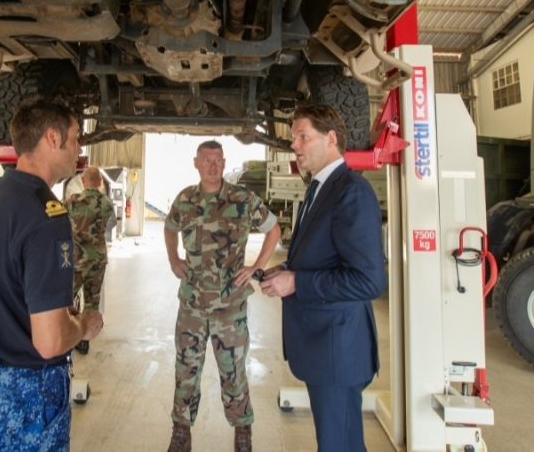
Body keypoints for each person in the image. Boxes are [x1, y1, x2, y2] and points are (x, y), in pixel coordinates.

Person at [0, 98, 103, 451]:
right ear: (52, 138)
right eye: (75, 137)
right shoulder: (46, 215)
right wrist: (84, 326)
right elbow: (49, 341)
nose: (79, 148)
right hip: (24, 389)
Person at [260, 104, 386, 452]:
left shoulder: (351, 192)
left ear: (331, 139)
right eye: (293, 138)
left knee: (338, 445)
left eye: (303, 137)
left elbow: (368, 281)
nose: (295, 146)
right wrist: (287, 271)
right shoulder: (320, 189)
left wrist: (298, 283)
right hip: (325, 346)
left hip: (338, 351)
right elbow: (326, 256)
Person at [164, 140, 281, 452]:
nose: (212, 165)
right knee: (186, 369)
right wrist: (173, 258)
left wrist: (257, 265)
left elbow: (274, 229)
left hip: (230, 306)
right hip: (191, 303)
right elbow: (169, 226)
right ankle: (181, 432)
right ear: (196, 163)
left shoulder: (242, 198)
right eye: (207, 160)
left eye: (218, 160)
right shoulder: (185, 198)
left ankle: (243, 434)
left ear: (224, 162)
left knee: (233, 372)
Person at [66, 165, 116, 355]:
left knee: (65, 299)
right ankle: (86, 340)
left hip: (77, 260)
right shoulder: (107, 204)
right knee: (92, 302)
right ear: (101, 182)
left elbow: (61, 224)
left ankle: (68, 335)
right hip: (98, 260)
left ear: (84, 181)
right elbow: (110, 226)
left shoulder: (73, 201)